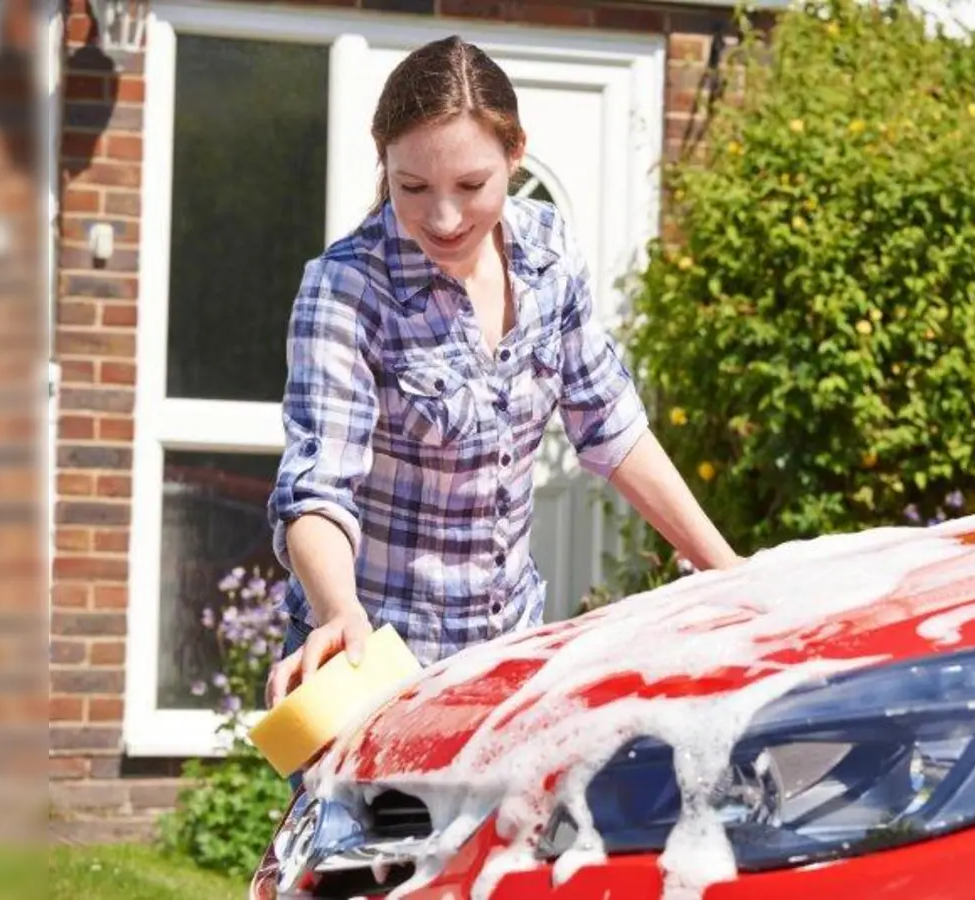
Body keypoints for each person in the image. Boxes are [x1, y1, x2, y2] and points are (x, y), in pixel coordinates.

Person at [264, 36, 740, 714]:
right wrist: (338, 609)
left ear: (515, 154)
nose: (444, 217)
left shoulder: (548, 252)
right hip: (374, 663)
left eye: (471, 185)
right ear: (385, 164)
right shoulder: (345, 290)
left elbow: (608, 422)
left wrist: (728, 570)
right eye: (413, 188)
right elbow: (317, 489)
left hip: (505, 660)